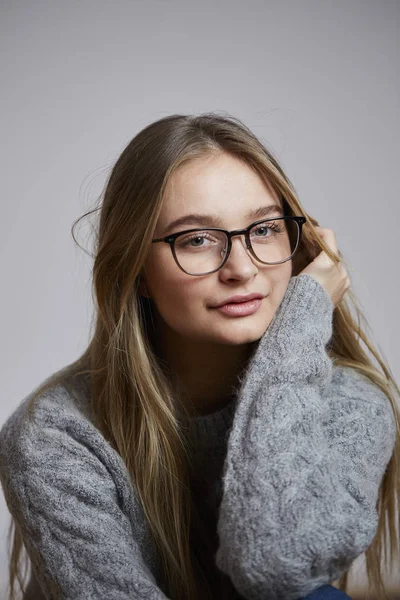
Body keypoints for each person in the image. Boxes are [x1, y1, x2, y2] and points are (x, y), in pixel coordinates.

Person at [0, 113, 398, 600]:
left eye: (265, 228)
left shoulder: (353, 405)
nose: (242, 268)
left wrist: (298, 328)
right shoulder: (55, 436)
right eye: (197, 239)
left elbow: (276, 569)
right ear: (137, 272)